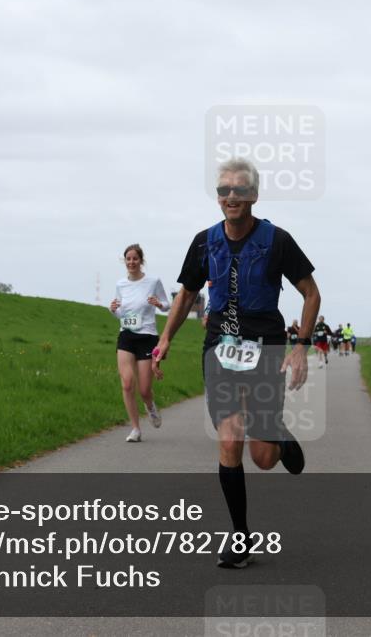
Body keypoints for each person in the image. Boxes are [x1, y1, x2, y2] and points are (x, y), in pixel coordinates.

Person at [152, 158, 320, 569]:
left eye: (239, 190)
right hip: (219, 349)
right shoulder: (203, 242)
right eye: (224, 190)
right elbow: (186, 295)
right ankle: (240, 537)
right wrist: (165, 338)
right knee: (229, 440)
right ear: (218, 196)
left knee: (262, 459)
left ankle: (277, 437)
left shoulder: (277, 240)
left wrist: (301, 346)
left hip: (266, 348)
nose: (231, 197)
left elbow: (311, 293)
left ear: (253, 196)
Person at [109, 244, 170, 442]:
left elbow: (167, 305)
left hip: (147, 336)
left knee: (144, 389)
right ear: (124, 261)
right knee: (127, 384)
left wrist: (159, 304)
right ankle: (135, 429)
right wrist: (113, 309)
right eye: (128, 259)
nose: (131, 262)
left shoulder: (153, 281)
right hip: (126, 335)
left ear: (141, 261)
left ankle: (150, 406)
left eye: (135, 259)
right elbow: (121, 313)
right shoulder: (121, 284)